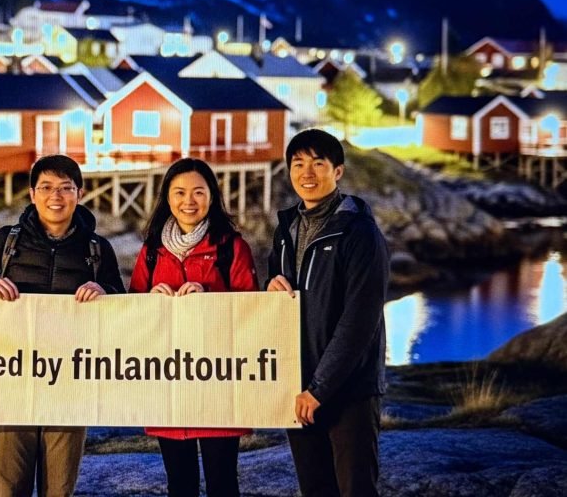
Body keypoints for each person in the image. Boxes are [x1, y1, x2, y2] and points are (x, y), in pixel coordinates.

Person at [0, 154, 125, 497]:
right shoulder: (6, 242)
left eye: (66, 188)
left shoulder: (97, 248)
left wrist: (105, 291)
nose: (56, 196)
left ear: (79, 194)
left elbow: (121, 308)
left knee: (59, 489)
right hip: (10, 381)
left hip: (69, 383)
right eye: (47, 187)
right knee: (9, 488)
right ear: (32, 194)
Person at [266, 129, 388, 497]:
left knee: (355, 489)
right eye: (298, 164)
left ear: (338, 171)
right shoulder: (287, 229)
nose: (307, 173)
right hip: (298, 385)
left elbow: (359, 320)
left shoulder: (360, 232)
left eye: (318, 164)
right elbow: (278, 289)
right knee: (315, 489)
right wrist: (272, 286)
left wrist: (319, 389)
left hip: (349, 390)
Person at [128, 157, 258, 497]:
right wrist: (148, 302)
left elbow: (253, 312)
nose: (189, 201)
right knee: (179, 484)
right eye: (180, 192)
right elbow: (131, 314)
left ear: (212, 197)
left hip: (218, 381)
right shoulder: (152, 252)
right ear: (167, 197)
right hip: (169, 383)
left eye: (198, 192)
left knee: (223, 483)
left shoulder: (232, 248)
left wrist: (209, 295)